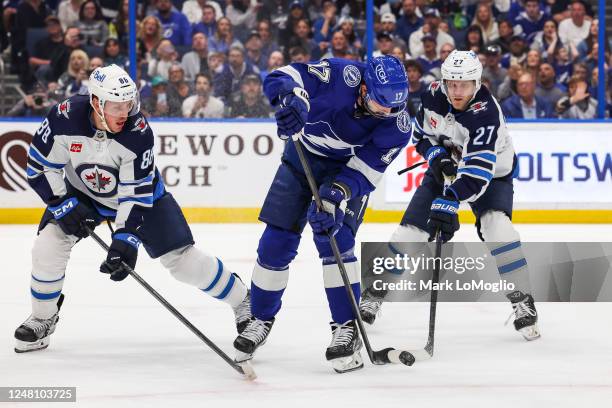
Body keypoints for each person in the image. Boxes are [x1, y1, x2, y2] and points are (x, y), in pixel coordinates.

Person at [15, 64, 251, 353]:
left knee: (184, 263)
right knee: (47, 246)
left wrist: (125, 240)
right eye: (116, 106)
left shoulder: (137, 133)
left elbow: (134, 194)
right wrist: (62, 204)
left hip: (142, 198)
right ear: (95, 102)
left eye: (128, 104)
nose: (124, 112)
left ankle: (243, 299)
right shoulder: (64, 117)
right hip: (82, 194)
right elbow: (40, 166)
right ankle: (43, 317)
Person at [232, 56, 411, 373]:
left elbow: (364, 173)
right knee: (275, 243)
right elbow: (281, 76)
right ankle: (260, 318)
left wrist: (333, 197)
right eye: (380, 103)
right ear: (363, 86)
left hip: (344, 176)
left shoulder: (397, 126)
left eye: (393, 107)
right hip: (300, 164)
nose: (386, 113)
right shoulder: (339, 75)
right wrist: (292, 101)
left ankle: (346, 327)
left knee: (336, 241)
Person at [359, 51, 541, 343]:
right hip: (448, 168)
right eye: (451, 83)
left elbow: (478, 174)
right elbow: (420, 136)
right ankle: (374, 292)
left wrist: (450, 201)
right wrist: (436, 157)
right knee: (411, 232)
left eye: (464, 84)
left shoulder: (485, 113)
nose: (456, 91)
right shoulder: (433, 95)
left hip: (491, 175)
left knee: (499, 228)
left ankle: (522, 298)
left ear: (477, 82)